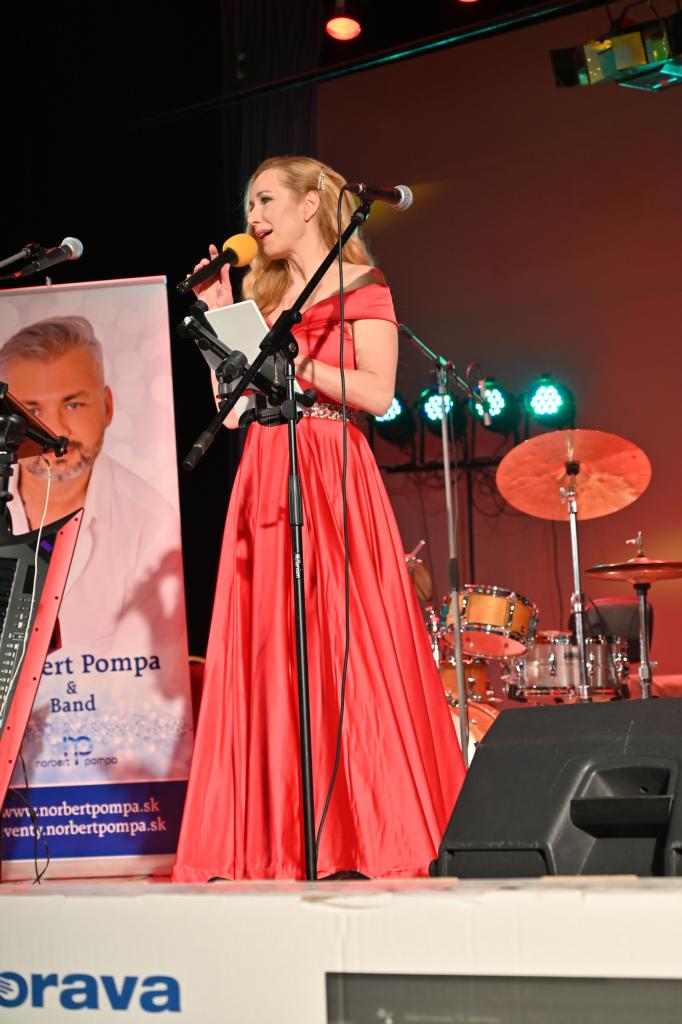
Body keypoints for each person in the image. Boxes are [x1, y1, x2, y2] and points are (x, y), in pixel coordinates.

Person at [172, 156, 465, 882]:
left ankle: (363, 833)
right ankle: (275, 839)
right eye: (249, 204)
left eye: (267, 199)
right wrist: (216, 322)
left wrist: (296, 362)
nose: (254, 216)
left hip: (332, 466)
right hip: (266, 469)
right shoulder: (262, 295)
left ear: (310, 205)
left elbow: (377, 393)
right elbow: (232, 413)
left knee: (344, 639)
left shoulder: (364, 285)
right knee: (271, 645)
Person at [0, 315, 182, 650]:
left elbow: (145, 667)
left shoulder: (150, 521)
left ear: (107, 407)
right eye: (33, 411)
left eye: (73, 404)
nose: (57, 431)